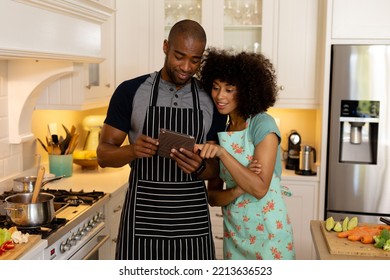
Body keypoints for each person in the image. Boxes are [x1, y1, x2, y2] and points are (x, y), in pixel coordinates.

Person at [97, 20, 224, 260]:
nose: (186, 67)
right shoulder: (130, 91)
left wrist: (199, 167)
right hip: (143, 222)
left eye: (195, 60)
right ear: (166, 47)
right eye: (179, 56)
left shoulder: (211, 100)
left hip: (192, 225)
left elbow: (217, 168)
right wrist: (133, 150)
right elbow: (103, 155)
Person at [197, 48, 296, 260]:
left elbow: (259, 188)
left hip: (269, 237)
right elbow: (213, 197)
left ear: (246, 91)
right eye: (215, 88)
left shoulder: (262, 124)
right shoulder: (220, 128)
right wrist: (237, 190)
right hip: (235, 235)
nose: (220, 96)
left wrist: (223, 153)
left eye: (229, 89)